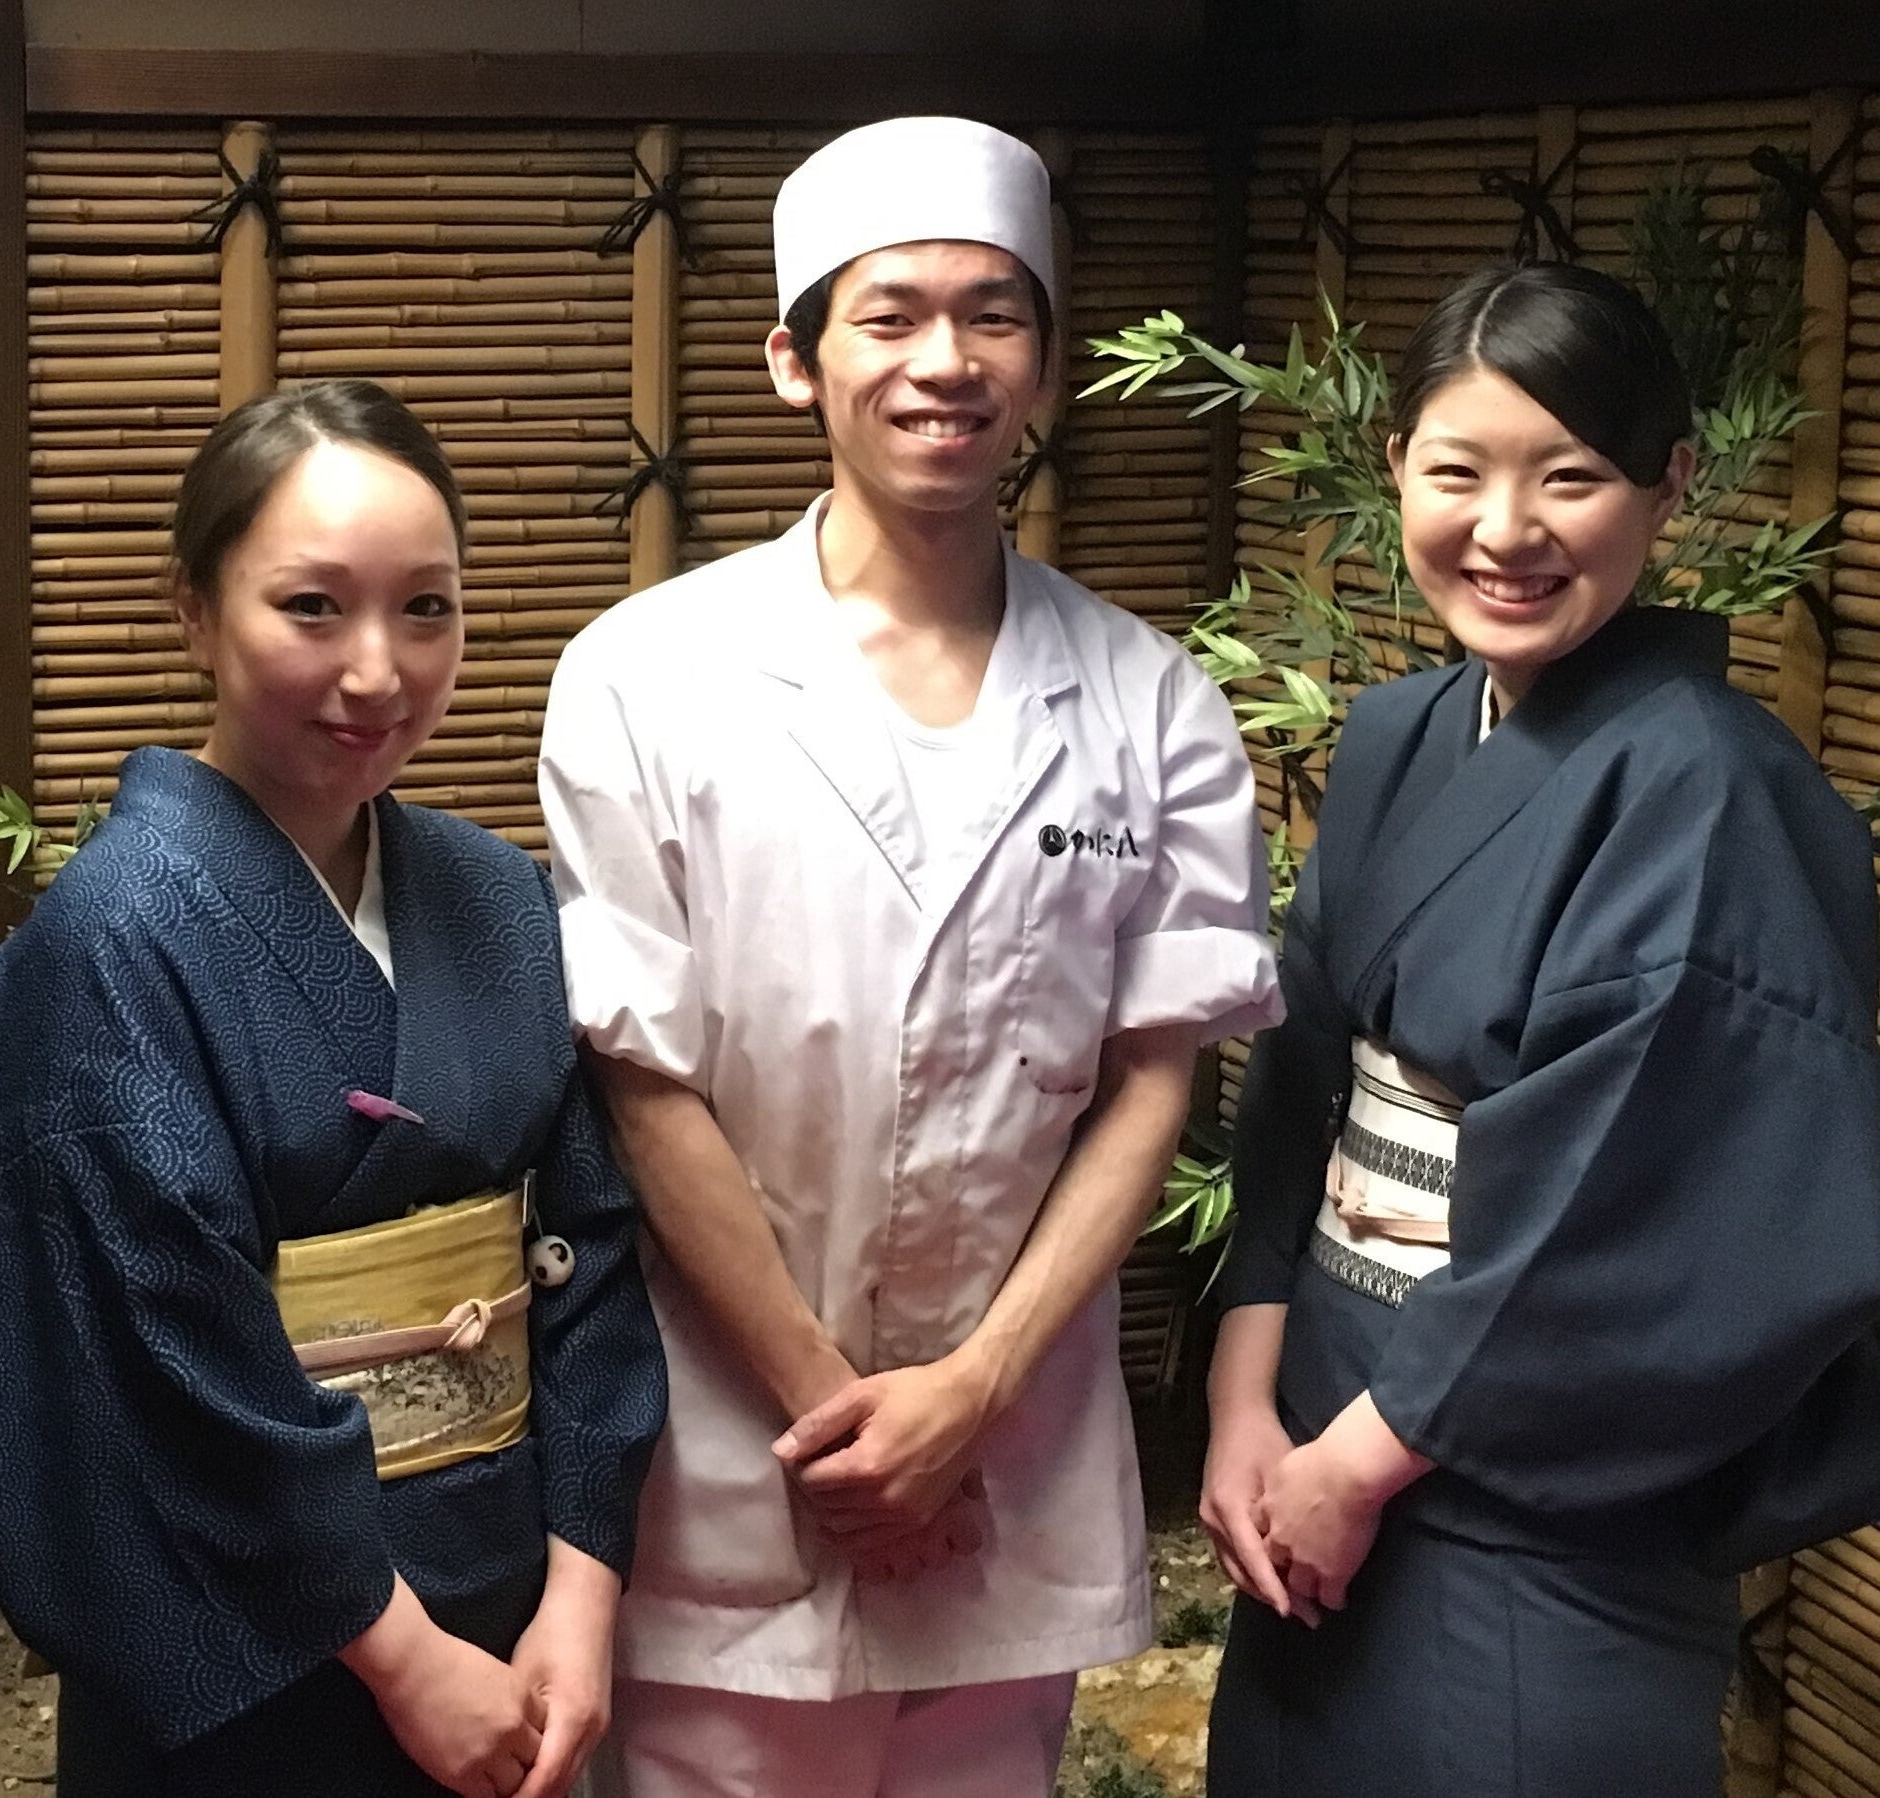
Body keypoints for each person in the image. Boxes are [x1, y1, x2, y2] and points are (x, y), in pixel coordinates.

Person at [538, 117, 1281, 1797]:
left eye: (993, 314)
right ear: (794, 359)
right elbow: (641, 1076)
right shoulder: (646, 675)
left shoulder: (1152, 701)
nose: (945, 360)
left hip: (1010, 1459)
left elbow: (1150, 1082)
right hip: (737, 1460)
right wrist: (841, 1420)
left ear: (1048, 367)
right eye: (890, 315)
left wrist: (969, 1396)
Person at [0, 380, 667, 1798]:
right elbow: (157, 1356)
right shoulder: (112, 946)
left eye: (425, 609)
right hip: (259, 1637)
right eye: (312, 607)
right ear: (196, 611)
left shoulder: (496, 899)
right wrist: (403, 1657)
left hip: (515, 1603)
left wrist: (583, 1584)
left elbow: (592, 1249)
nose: (378, 671)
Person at [1201, 262, 1880, 1797]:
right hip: (1306, 1443)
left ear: (1670, 484)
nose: (1505, 530)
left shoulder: (1712, 791)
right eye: (1458, 471)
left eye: (1570, 477)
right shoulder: (1397, 737)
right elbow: (1300, 1076)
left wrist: (1357, 1463)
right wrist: (1245, 1403)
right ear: (1397, 470)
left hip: (1530, 1518)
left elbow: (1634, 1210)